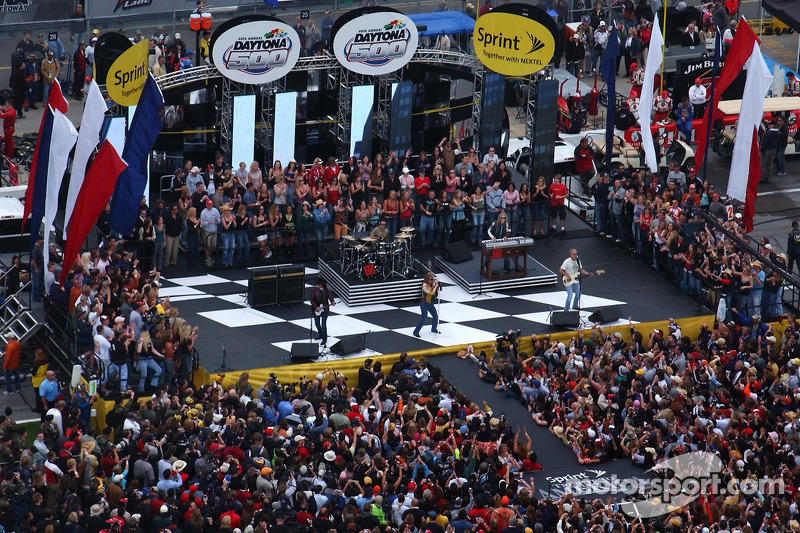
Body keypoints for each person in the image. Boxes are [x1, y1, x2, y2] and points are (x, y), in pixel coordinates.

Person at [412, 272, 440, 338]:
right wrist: (436, 286)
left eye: (433, 279)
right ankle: (415, 332)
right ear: (427, 279)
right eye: (431, 279)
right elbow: (431, 293)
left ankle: (433, 329)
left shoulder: (432, 284)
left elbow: (435, 287)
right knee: (424, 319)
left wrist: (437, 284)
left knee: (435, 316)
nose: (432, 280)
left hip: (430, 303)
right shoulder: (424, 286)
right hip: (424, 304)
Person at [310, 278, 335, 347]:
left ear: (322, 285)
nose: (317, 285)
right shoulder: (314, 290)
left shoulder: (327, 291)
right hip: (316, 309)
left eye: (319, 284)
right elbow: (311, 299)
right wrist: (315, 307)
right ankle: (320, 335)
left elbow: (330, 297)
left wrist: (332, 301)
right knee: (317, 324)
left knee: (323, 325)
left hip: (324, 309)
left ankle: (324, 339)